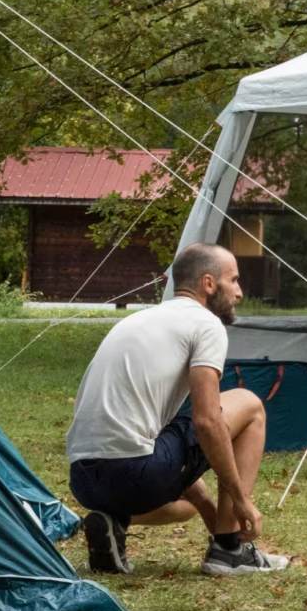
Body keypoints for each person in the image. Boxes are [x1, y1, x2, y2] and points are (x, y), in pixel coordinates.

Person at [66, 243, 288, 575]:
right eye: (235, 281)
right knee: (250, 405)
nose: (240, 292)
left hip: (84, 480)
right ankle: (229, 551)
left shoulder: (140, 319)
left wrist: (206, 506)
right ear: (209, 284)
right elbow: (208, 421)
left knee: (186, 507)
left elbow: (166, 441)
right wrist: (241, 500)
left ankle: (112, 522)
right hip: (135, 473)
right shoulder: (205, 324)